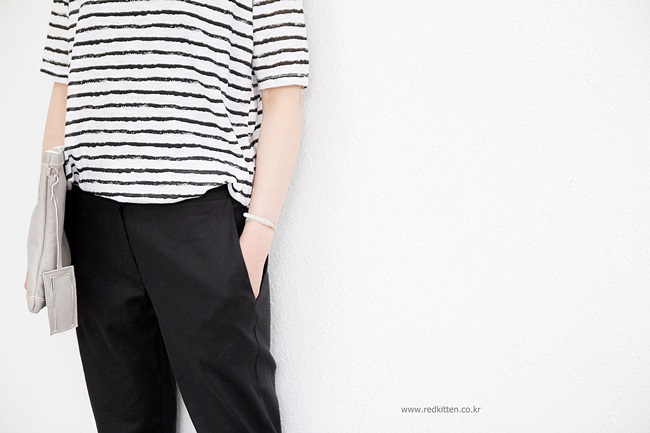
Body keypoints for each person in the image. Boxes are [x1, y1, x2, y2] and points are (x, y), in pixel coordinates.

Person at [27, 0, 310, 432]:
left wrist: (257, 237)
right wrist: (48, 225)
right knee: (124, 422)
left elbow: (283, 92)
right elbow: (64, 89)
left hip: (201, 224)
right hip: (93, 223)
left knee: (236, 421)